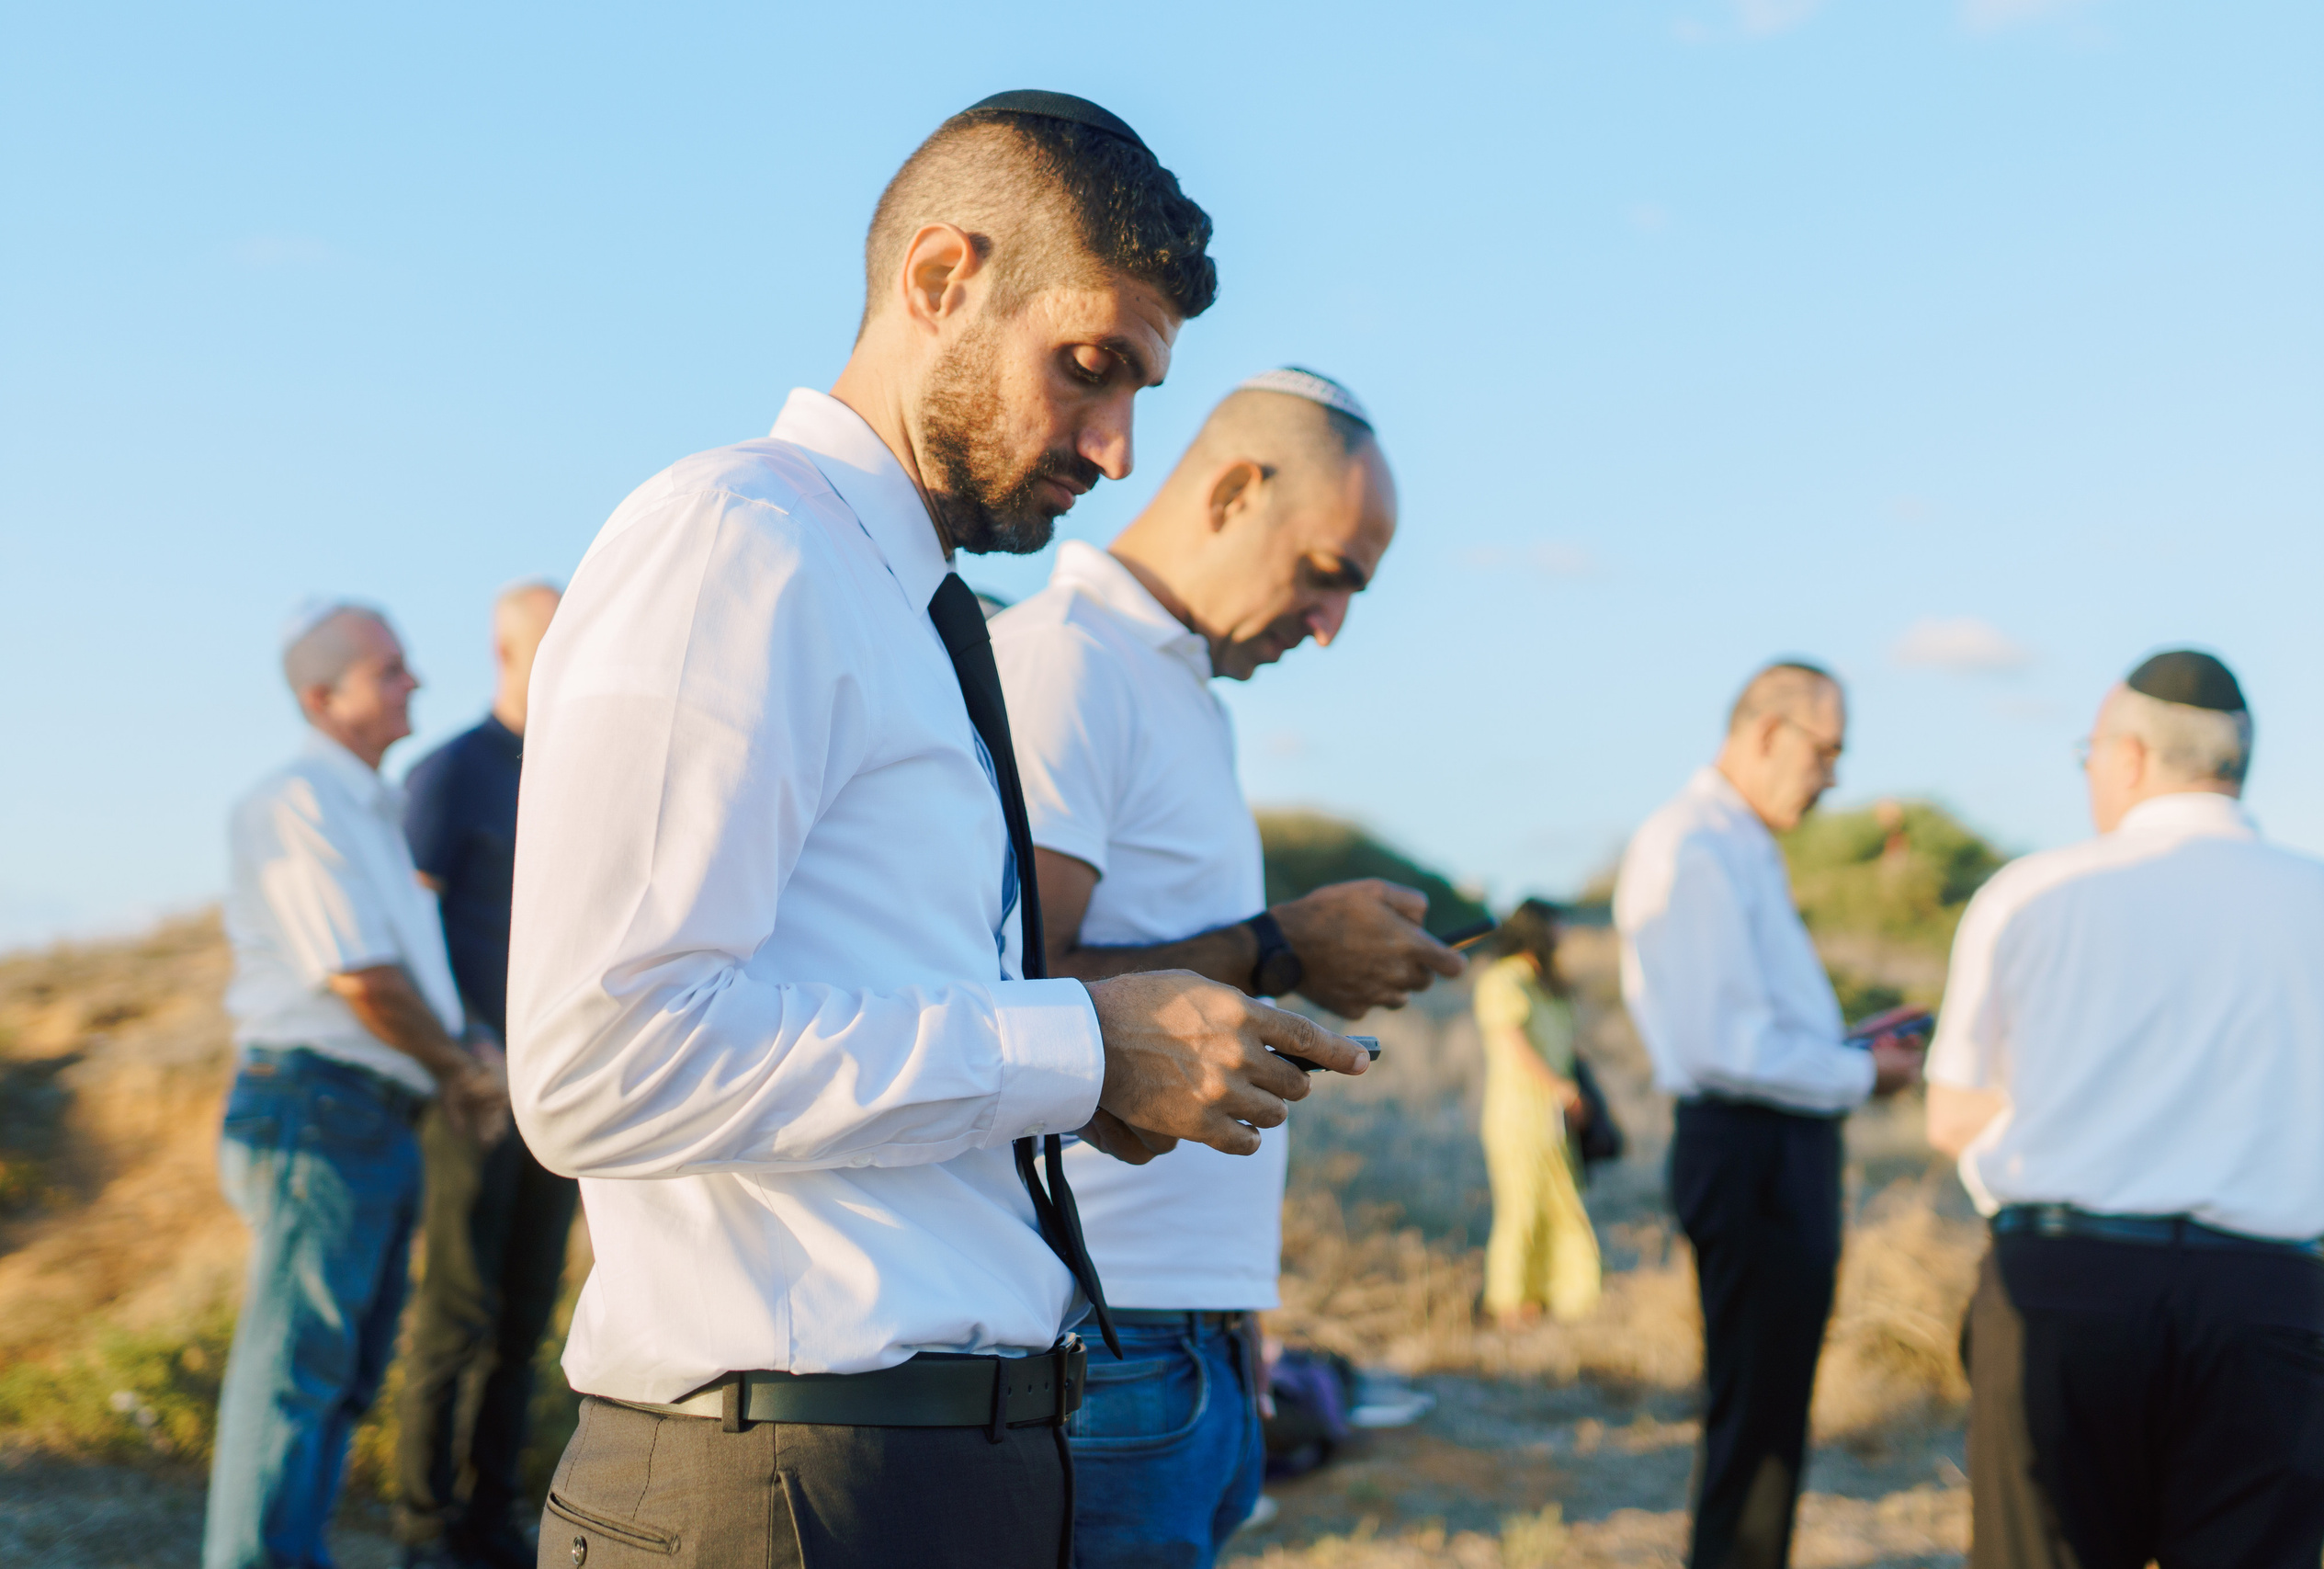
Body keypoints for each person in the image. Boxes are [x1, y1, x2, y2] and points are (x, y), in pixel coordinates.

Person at [504, 92, 1369, 1569]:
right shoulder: (737, 539)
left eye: (1143, 394)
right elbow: (601, 1058)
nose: (1115, 450)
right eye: (1092, 368)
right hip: (782, 1483)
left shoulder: (908, 606)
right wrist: (1079, 1046)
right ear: (939, 280)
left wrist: (1085, 1076)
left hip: (935, 1462)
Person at [992, 367, 1462, 1567]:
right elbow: (1016, 980)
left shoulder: (1177, 687)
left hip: (1184, 1328)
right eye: (1325, 571)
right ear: (1237, 489)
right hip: (1103, 1332)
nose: (1331, 622)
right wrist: (1285, 941)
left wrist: (1236, 1301)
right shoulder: (1065, 660)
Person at [1924, 649, 2324, 1569]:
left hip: (2064, 1289)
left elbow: (1950, 1116)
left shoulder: (2030, 894)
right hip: (2271, 1302)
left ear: (2124, 757)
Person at [207, 603, 508, 1569]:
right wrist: (462, 1071)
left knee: (341, 1375)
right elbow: (363, 978)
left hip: (371, 1117)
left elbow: (408, 980)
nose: (413, 681)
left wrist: (465, 1059)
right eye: (388, 669)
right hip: (318, 1110)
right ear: (320, 697)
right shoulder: (295, 801)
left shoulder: (372, 810)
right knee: (298, 1374)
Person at [1612, 662, 1922, 1569]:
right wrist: (1860, 1078)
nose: (1832, 775)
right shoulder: (1693, 846)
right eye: (1824, 751)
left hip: (1772, 1143)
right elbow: (1721, 1046)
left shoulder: (1736, 842)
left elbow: (1756, 1027)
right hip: (1749, 1147)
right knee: (1755, 1414)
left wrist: (1845, 1049)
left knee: (1771, 1408)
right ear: (1761, 732)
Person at [394, 582, 574, 1569]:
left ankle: (490, 1521)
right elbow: (411, 927)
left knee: (525, 1316)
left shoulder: (581, 768)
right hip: (473, 1095)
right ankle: (424, 1529)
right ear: (506, 652)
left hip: (562, 1096)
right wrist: (469, 1047)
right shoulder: (450, 774)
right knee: (454, 1317)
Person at [1473, 899, 1602, 1326]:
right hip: (1517, 1113)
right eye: (1556, 926)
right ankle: (1509, 1302)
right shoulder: (1501, 981)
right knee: (1521, 1207)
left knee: (1560, 1202)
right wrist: (1560, 1088)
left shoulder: (1547, 984)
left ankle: (1563, 1298)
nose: (1563, 934)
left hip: (1553, 1117)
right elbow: (1513, 1041)